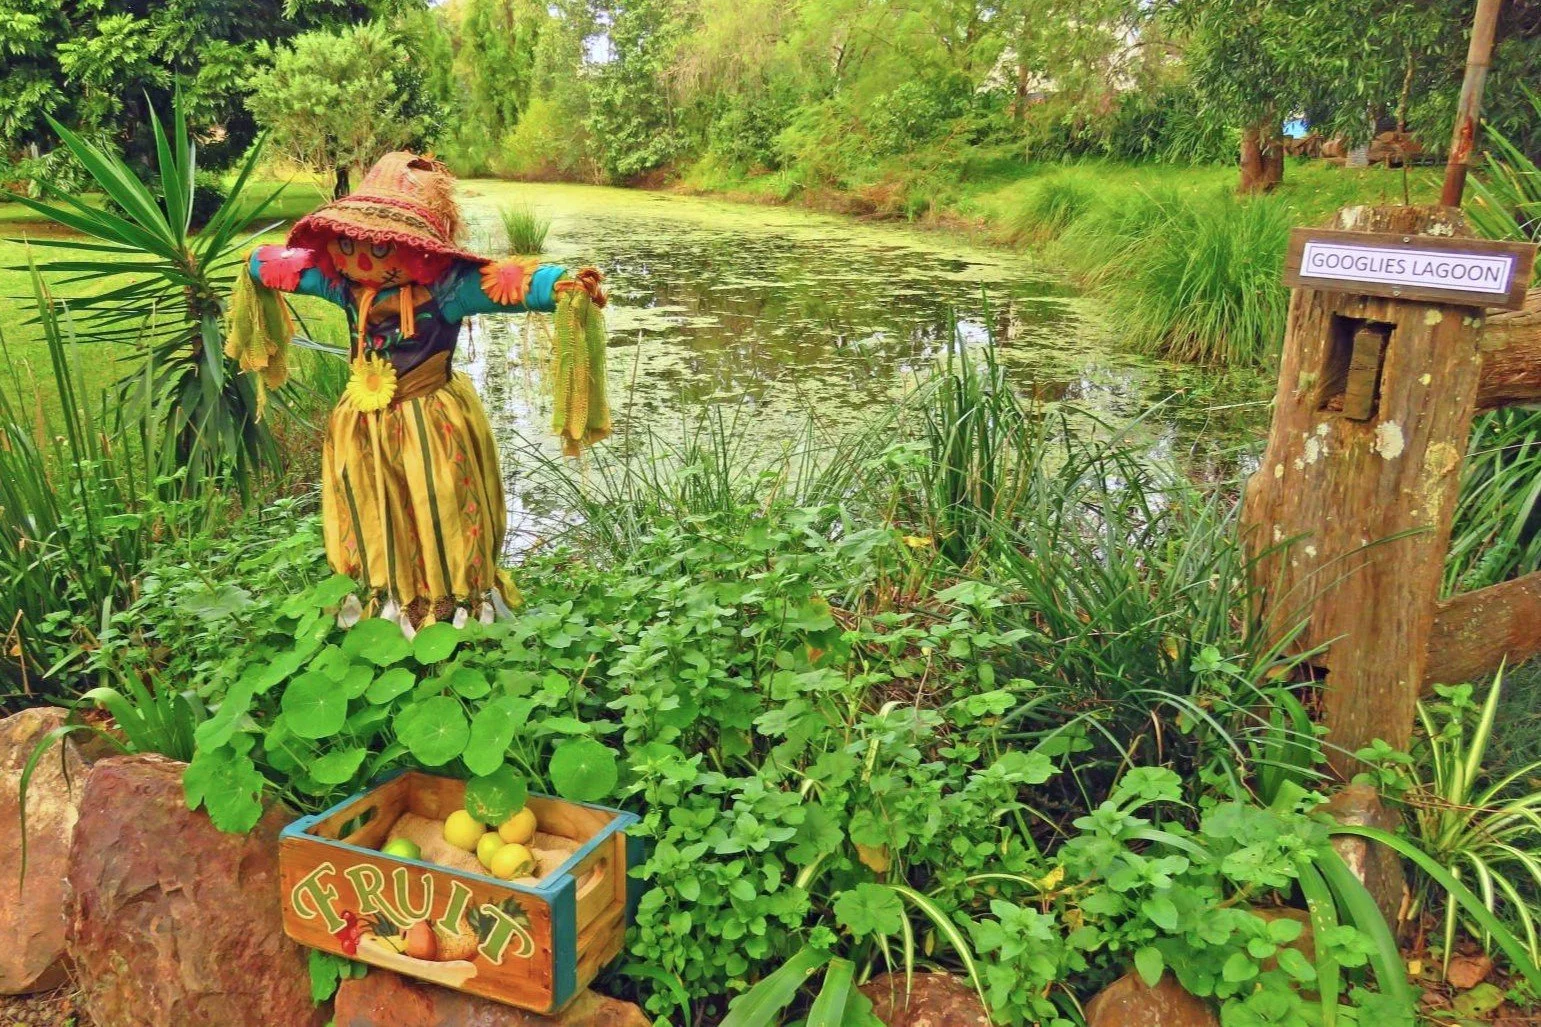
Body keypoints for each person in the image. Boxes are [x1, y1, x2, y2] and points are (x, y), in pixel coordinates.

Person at [225, 152, 608, 630]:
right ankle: (386, 604)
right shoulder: (344, 285)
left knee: (442, 499)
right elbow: (273, 266)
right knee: (369, 501)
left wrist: (562, 285)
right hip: (362, 422)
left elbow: (509, 283)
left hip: (433, 420)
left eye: (385, 246)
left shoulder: (448, 288)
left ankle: (452, 610)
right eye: (352, 242)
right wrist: (257, 262)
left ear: (426, 249)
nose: (364, 257)